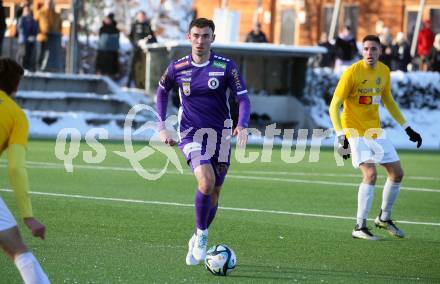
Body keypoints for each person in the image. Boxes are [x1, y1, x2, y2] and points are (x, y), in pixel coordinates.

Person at [156, 18, 250, 264]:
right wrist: (162, 127)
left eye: (205, 36)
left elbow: (243, 99)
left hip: (220, 137)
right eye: (196, 35)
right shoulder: (177, 67)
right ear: (189, 37)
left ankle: (198, 231)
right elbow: (162, 91)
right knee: (206, 182)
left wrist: (242, 124)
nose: (200, 40)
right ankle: (203, 236)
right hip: (191, 134)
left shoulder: (226, 66)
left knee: (215, 193)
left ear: (213, 38)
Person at [329, 35, 422, 241]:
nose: (369, 53)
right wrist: (341, 136)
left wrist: (407, 128)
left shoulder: (384, 71)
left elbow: (388, 100)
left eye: (373, 49)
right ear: (362, 51)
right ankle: (359, 226)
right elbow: (334, 105)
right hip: (354, 131)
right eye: (366, 49)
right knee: (370, 174)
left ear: (380, 51)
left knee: (397, 173)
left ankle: (384, 218)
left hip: (375, 132)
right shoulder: (351, 73)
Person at [0, 58, 50, 283]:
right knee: (18, 250)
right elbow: (16, 167)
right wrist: (28, 216)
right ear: (16, 85)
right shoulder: (16, 115)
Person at [126, 10, 156, 87]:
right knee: (132, 64)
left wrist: (149, 41)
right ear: (137, 17)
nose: (142, 18)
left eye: (143, 16)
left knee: (145, 66)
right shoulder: (134, 25)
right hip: (136, 48)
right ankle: (128, 83)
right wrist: (134, 44)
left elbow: (152, 37)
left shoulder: (147, 25)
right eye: (140, 16)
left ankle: (144, 85)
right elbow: (130, 37)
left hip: (145, 49)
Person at [36, 0, 62, 72]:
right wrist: (39, 33)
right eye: (48, 3)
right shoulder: (40, 13)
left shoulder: (57, 15)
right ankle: (39, 67)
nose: (50, 5)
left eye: (51, 3)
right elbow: (35, 24)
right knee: (42, 53)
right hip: (43, 38)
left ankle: (50, 68)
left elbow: (60, 27)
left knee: (51, 54)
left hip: (53, 38)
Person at [95, 13, 120, 78]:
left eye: (108, 19)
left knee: (111, 70)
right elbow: (101, 40)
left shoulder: (115, 30)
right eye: (106, 19)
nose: (107, 21)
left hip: (112, 53)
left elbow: (115, 42)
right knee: (101, 68)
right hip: (102, 52)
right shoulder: (102, 29)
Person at [16, 4, 37, 71]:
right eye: (26, 10)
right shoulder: (21, 19)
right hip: (23, 40)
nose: (28, 12)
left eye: (29, 11)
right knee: (23, 54)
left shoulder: (32, 20)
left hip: (31, 40)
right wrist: (27, 36)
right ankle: (21, 68)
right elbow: (20, 29)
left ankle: (28, 68)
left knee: (30, 54)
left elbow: (35, 29)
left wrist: (33, 35)